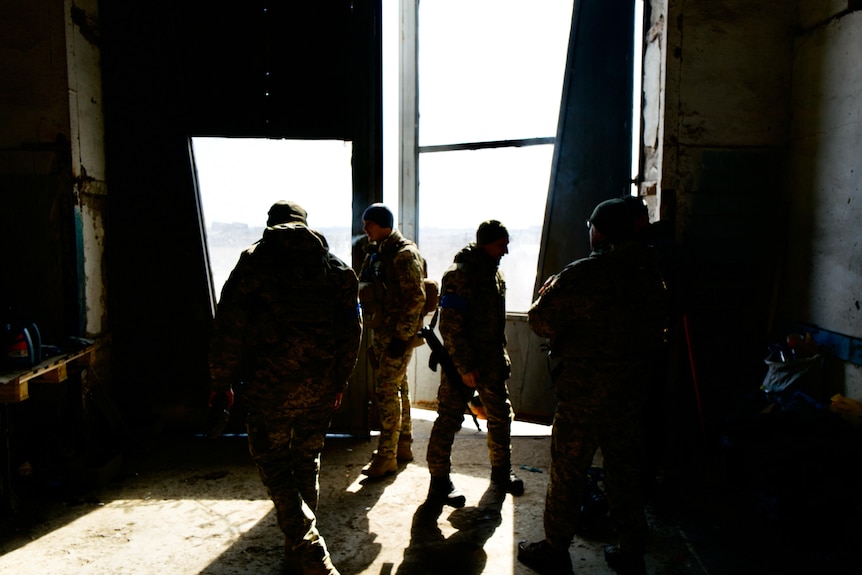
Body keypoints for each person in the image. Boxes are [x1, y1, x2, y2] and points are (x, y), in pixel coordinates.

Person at [208, 200, 362, 575]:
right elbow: (352, 333)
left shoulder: (253, 265)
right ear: (305, 225)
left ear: (271, 226)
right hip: (320, 388)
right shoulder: (336, 269)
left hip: (268, 391)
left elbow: (228, 328)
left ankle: (310, 551)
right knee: (306, 462)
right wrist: (339, 381)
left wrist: (220, 380)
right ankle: (298, 548)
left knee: (276, 469)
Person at [517, 198, 668, 575]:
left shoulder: (585, 273)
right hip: (631, 394)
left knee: (569, 471)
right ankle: (631, 552)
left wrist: (550, 291)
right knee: (624, 473)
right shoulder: (652, 272)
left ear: (599, 230)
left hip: (583, 395)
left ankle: (554, 550)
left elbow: (541, 322)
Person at [425, 220, 524, 508]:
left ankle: (502, 473)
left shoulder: (495, 274)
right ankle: (439, 483)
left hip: (491, 363)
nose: (505, 250)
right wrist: (465, 367)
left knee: (501, 417)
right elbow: (451, 327)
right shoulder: (460, 275)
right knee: (448, 420)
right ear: (486, 243)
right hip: (464, 364)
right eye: (501, 244)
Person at [358, 203, 427, 478]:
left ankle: (386, 456)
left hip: (397, 336)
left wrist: (402, 337)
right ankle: (403, 446)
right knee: (400, 389)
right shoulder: (377, 253)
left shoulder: (403, 255)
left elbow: (416, 299)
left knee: (386, 392)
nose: (365, 229)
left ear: (383, 224)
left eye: (369, 224)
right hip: (384, 334)